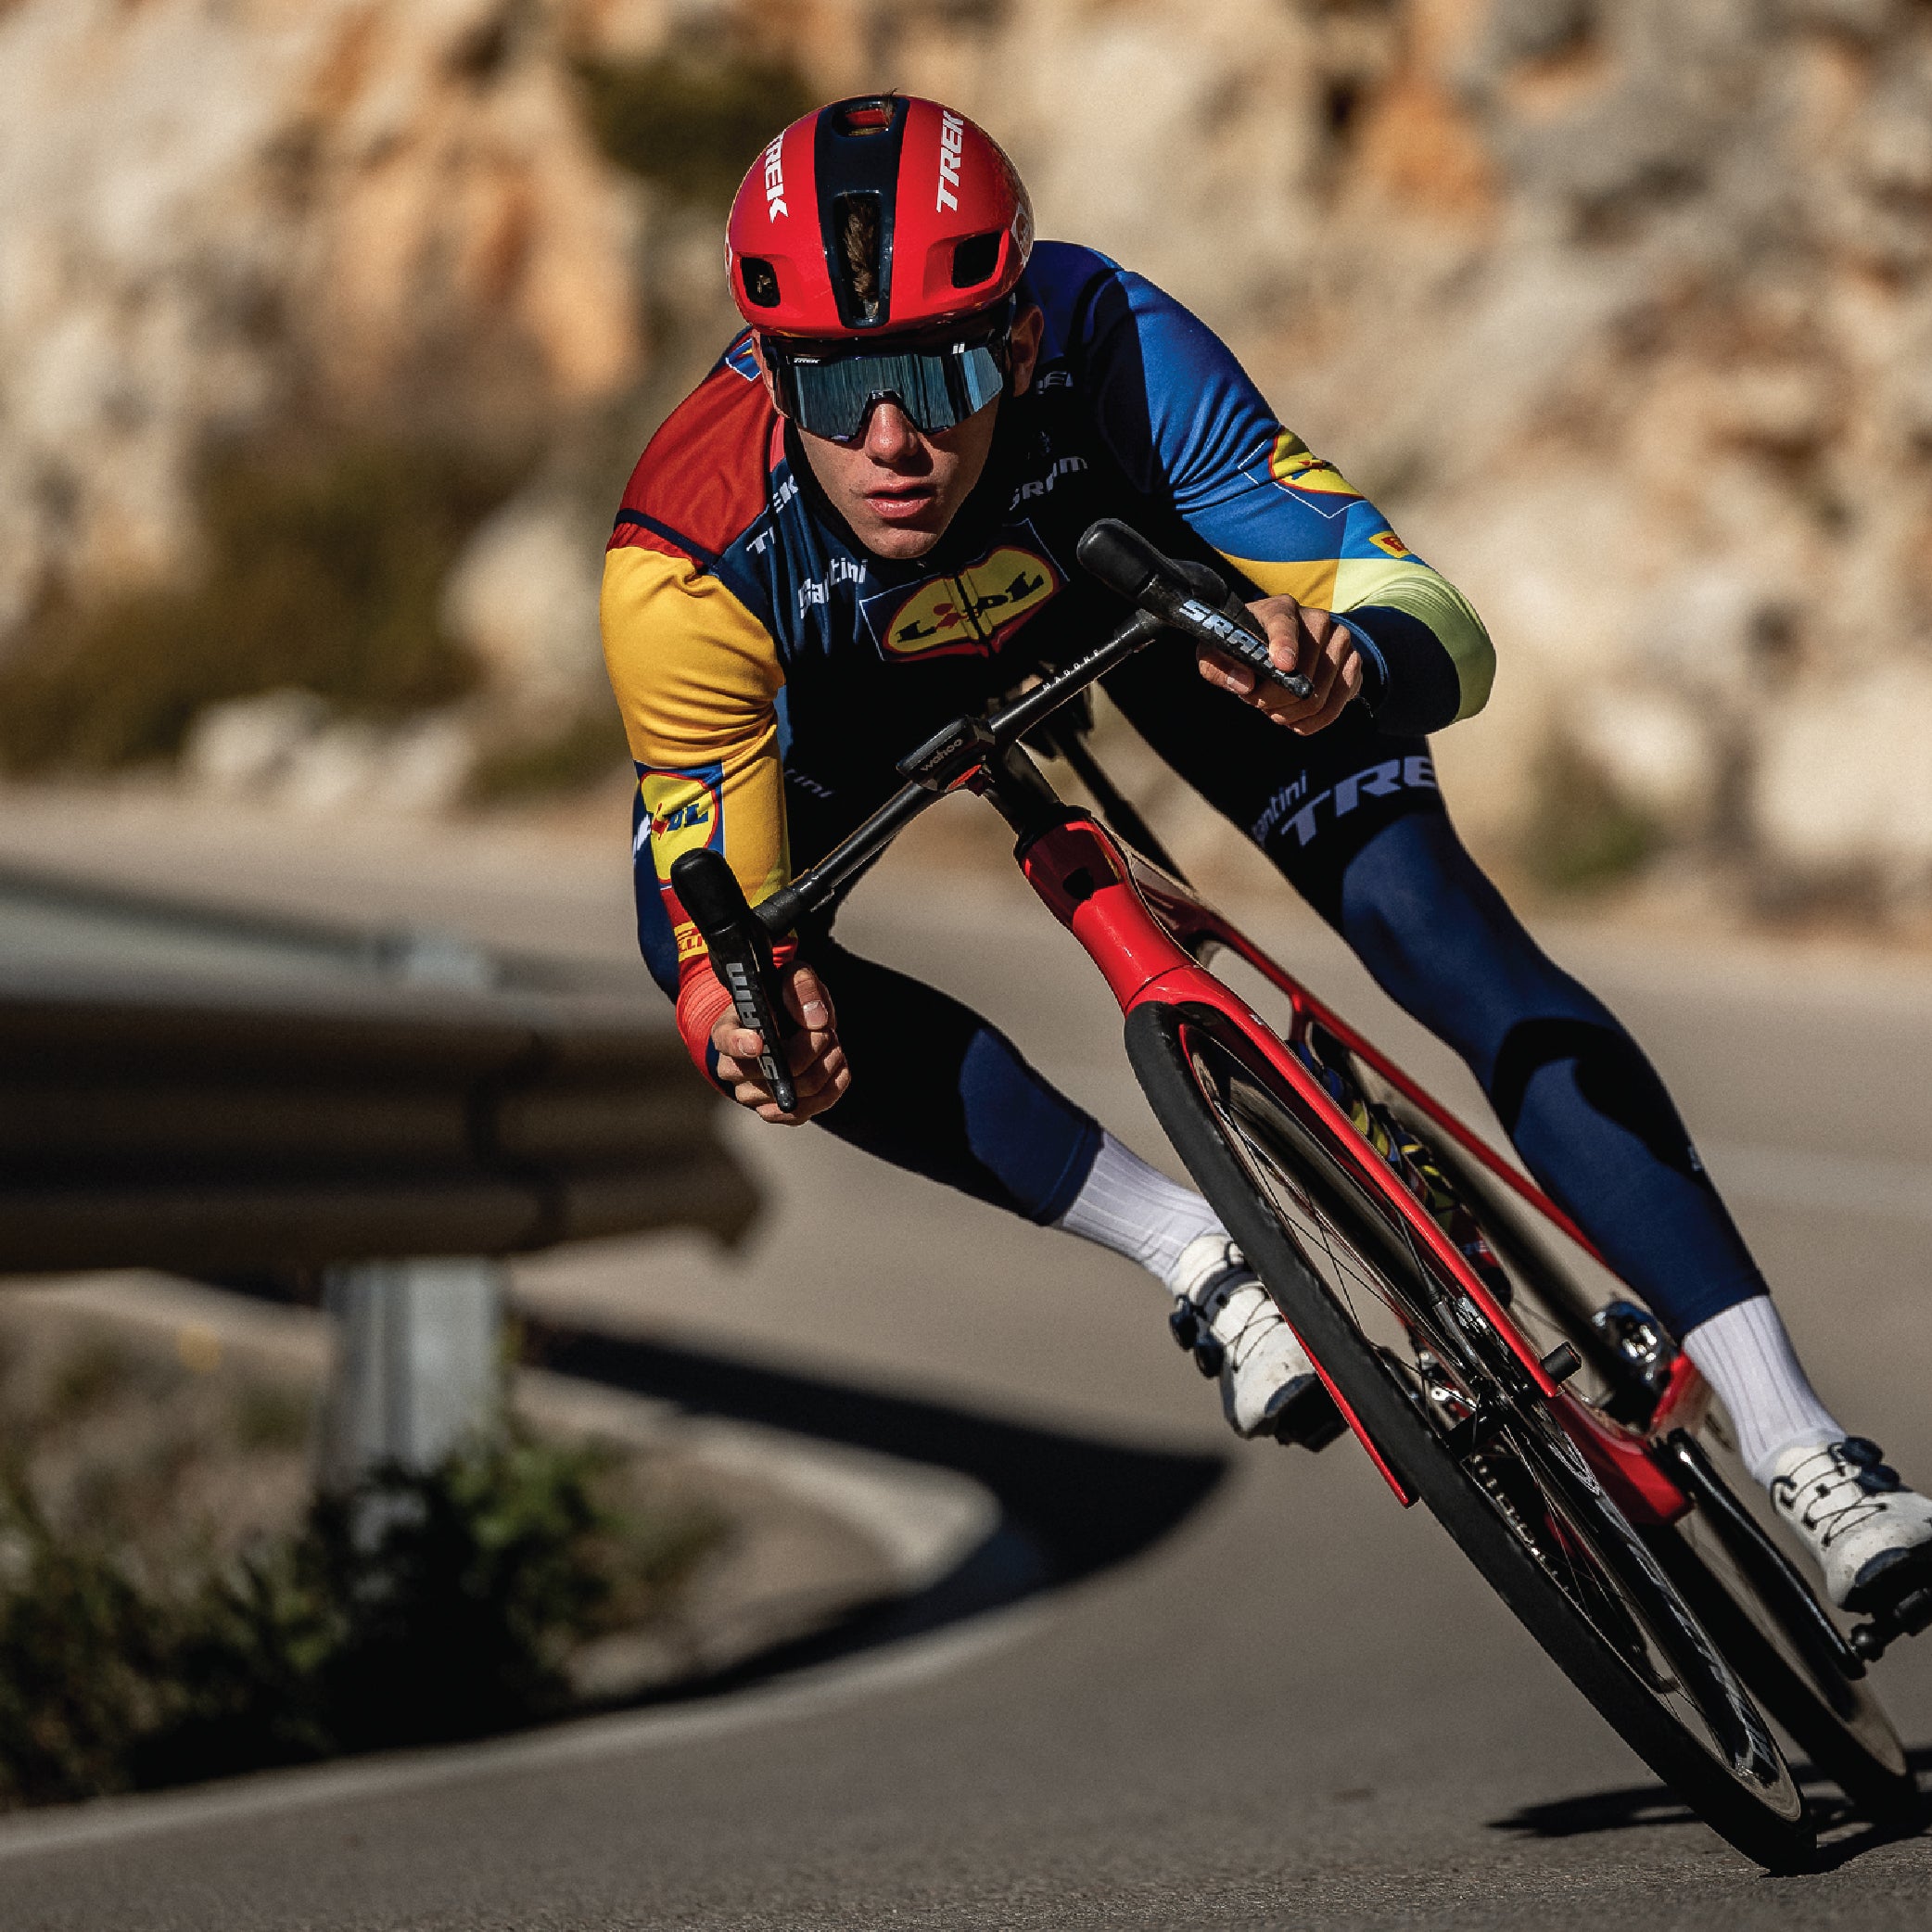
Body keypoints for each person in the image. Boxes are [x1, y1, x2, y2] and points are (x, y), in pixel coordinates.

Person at [600, 93, 1932, 1619]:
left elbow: (1439, 623)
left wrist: (1348, 658)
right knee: (750, 1003)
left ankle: (1802, 1442)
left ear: (1017, 345)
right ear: (772, 372)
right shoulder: (684, 558)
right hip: (842, 709)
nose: (891, 442)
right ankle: (1195, 1255)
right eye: (839, 390)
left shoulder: (1112, 343)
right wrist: (735, 998)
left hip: (1135, 599)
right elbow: (715, 910)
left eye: (940, 374)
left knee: (1433, 925)